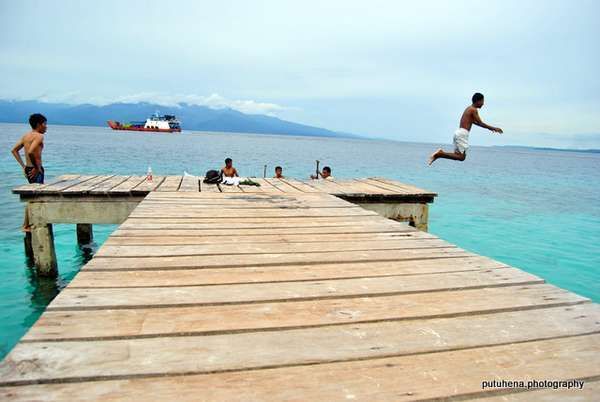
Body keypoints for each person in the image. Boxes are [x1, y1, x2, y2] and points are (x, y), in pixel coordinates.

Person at [428, 93, 503, 165]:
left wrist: (490, 129)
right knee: (461, 157)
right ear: (478, 101)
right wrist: (494, 128)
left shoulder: (468, 108)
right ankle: (440, 154)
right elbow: (480, 123)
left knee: (458, 155)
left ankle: (439, 155)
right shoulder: (473, 109)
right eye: (482, 101)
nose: (483, 103)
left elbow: (474, 122)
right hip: (462, 134)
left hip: (458, 132)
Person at [11, 113, 47, 231]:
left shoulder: (25, 136)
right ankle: (26, 225)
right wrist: (37, 168)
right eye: (44, 124)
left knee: (32, 197)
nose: (46, 127)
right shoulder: (39, 136)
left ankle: (28, 224)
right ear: (38, 124)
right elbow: (31, 151)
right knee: (34, 198)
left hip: (28, 168)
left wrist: (23, 166)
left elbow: (14, 150)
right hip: (35, 170)